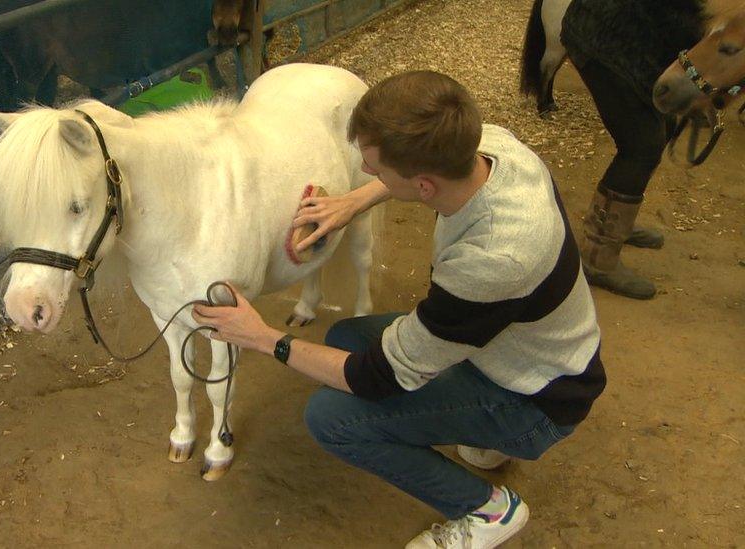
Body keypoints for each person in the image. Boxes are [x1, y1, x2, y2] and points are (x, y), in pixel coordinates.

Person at [192, 70, 606, 549]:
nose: (367, 175)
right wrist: (352, 202)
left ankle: (487, 510)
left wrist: (261, 337)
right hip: (515, 343)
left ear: (424, 185)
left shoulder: (493, 259)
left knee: (332, 417)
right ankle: (486, 439)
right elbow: (414, 176)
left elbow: (379, 378)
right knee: (347, 337)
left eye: (376, 170)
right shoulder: (496, 148)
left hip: (541, 397)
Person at [560, 0, 703, 299]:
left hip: (634, 37)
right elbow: (692, 25)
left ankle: (613, 222)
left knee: (660, 129)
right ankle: (598, 257)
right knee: (641, 145)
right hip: (607, 38)